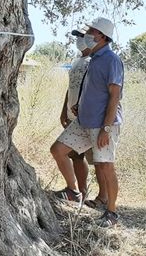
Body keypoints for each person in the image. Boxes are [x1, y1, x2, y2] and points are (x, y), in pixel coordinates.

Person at [50, 17, 124, 228]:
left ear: (101, 36)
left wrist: (106, 129)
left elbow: (114, 96)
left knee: (105, 165)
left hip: (102, 124)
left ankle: (112, 213)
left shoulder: (111, 60)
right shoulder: (93, 59)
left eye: (91, 31)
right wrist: (78, 105)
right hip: (84, 121)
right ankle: (73, 192)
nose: (88, 34)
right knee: (58, 149)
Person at [59, 34, 92, 200]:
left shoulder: (94, 61)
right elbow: (71, 87)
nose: (79, 40)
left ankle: (95, 195)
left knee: (98, 160)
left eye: (82, 37)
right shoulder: (77, 61)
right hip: (72, 115)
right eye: (77, 37)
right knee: (75, 155)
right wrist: (64, 110)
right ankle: (77, 191)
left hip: (87, 117)